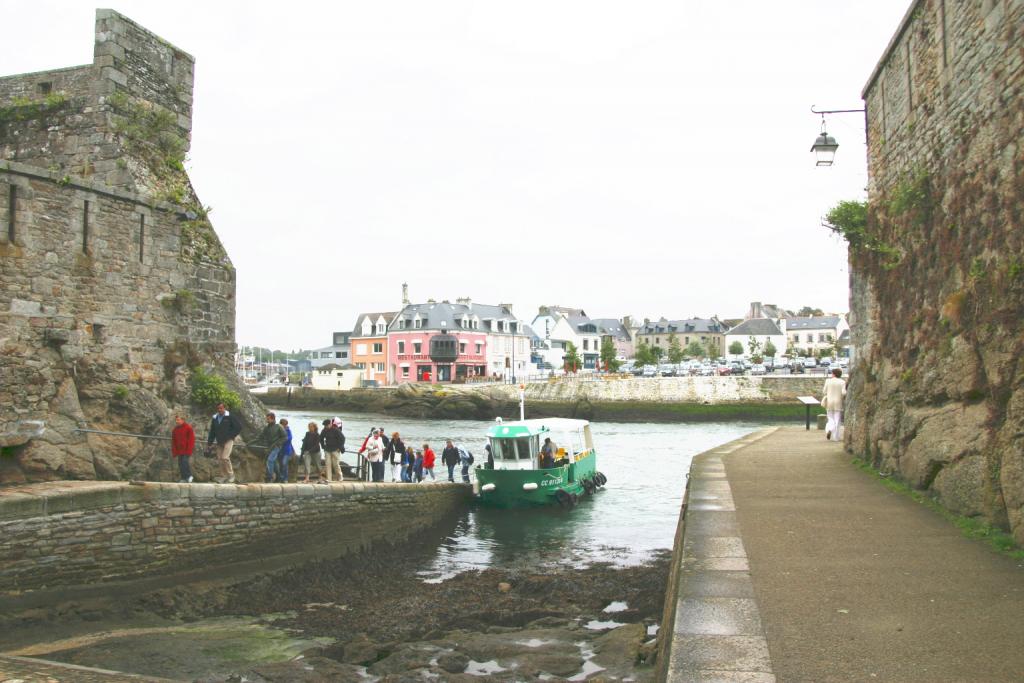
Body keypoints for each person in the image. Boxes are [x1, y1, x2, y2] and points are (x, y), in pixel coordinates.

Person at [206, 402, 242, 484]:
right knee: (220, 458)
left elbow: (238, 427)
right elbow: (212, 431)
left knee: (225, 457)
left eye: (221, 408)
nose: (219, 410)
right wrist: (209, 443)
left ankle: (231, 475)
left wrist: (230, 436)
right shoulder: (215, 418)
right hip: (219, 441)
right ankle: (224, 476)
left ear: (224, 408)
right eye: (218, 408)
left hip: (228, 440)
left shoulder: (230, 417)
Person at [259, 412, 287, 483]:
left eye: (268, 419)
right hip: (269, 447)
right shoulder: (267, 428)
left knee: (270, 460)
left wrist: (278, 444)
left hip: (276, 447)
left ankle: (269, 476)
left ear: (273, 419)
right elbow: (261, 436)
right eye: (267, 419)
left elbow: (284, 437)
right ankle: (279, 477)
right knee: (273, 462)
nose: (267, 420)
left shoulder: (279, 427)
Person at [821, 367, 847, 441]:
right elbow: (844, 393)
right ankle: (836, 437)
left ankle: (829, 428)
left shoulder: (828, 381)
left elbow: (824, 391)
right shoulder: (842, 382)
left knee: (830, 418)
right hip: (838, 402)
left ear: (834, 374)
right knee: (837, 420)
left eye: (832, 373)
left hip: (829, 402)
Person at [171, 415, 195, 483]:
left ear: (183, 420)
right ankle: (184, 478)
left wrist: (189, 450)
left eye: (178, 420)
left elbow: (191, 440)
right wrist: (175, 451)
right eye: (176, 420)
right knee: (180, 464)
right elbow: (174, 441)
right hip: (179, 450)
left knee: (185, 462)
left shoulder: (188, 428)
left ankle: (189, 476)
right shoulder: (175, 430)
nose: (177, 421)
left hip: (186, 450)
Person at [320, 417, 345, 482]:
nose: (326, 426)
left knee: (336, 464)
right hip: (327, 449)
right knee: (328, 464)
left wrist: (340, 447)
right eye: (325, 425)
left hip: (335, 449)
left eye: (327, 425)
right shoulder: (324, 430)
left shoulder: (336, 430)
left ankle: (340, 477)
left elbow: (342, 439)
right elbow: (321, 438)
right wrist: (323, 446)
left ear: (330, 424)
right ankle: (329, 479)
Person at [277, 418, 294, 482]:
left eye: (285, 425)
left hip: (287, 450)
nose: (285, 426)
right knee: (280, 464)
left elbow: (289, 438)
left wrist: (282, 440)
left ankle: (285, 478)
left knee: (284, 464)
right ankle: (281, 478)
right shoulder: (278, 430)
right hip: (280, 450)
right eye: (283, 425)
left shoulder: (288, 430)